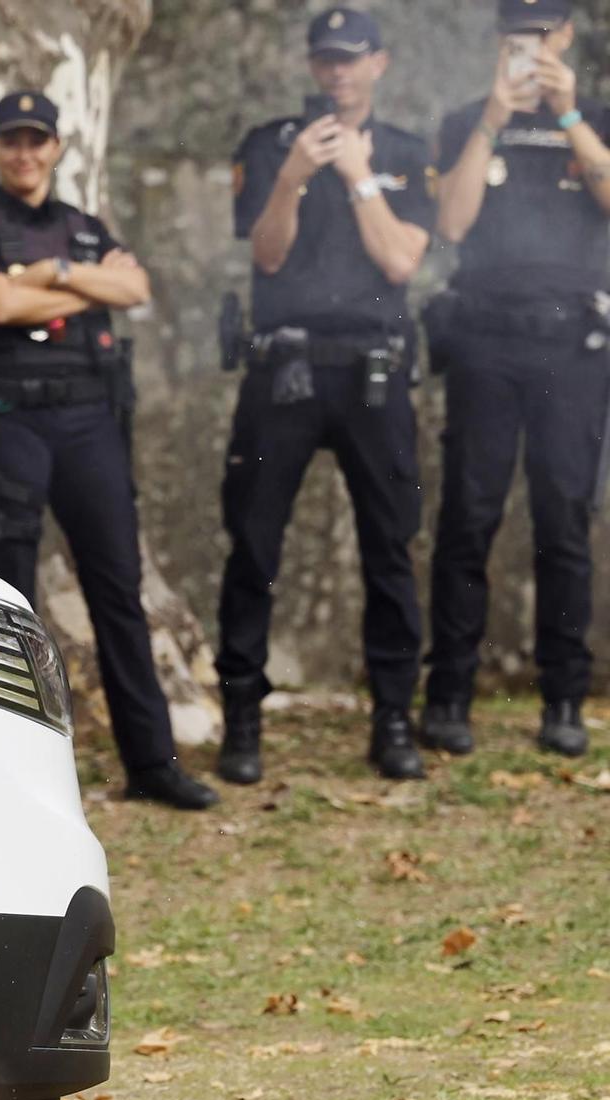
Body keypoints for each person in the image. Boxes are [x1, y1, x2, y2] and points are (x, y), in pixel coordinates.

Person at [0, 91, 218, 811]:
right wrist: (87, 287)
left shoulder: (84, 227)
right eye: (11, 141)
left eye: (37, 140)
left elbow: (135, 287)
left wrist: (49, 276)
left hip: (90, 423)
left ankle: (152, 763)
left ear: (57, 148)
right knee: (7, 599)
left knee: (117, 591)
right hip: (9, 422)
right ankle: (9, 774)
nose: (25, 153)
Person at [215, 7, 435, 784]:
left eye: (352, 59)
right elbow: (267, 257)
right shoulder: (271, 145)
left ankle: (395, 722)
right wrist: (295, 177)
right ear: (313, 67)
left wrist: (357, 175)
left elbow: (401, 258)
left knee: (390, 549)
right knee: (254, 544)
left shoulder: (407, 153)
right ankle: (242, 720)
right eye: (327, 60)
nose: (338, 72)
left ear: (379, 63)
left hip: (374, 376)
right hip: (287, 373)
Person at [421, 0, 605, 758]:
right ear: (500, 42)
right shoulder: (468, 118)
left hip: (572, 346)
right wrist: (493, 120)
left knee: (564, 520)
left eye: (542, 33)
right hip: (485, 340)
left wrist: (568, 118)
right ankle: (450, 694)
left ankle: (563, 699)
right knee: (469, 515)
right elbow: (453, 225)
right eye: (516, 35)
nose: (529, 46)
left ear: (565, 37)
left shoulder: (593, 116)